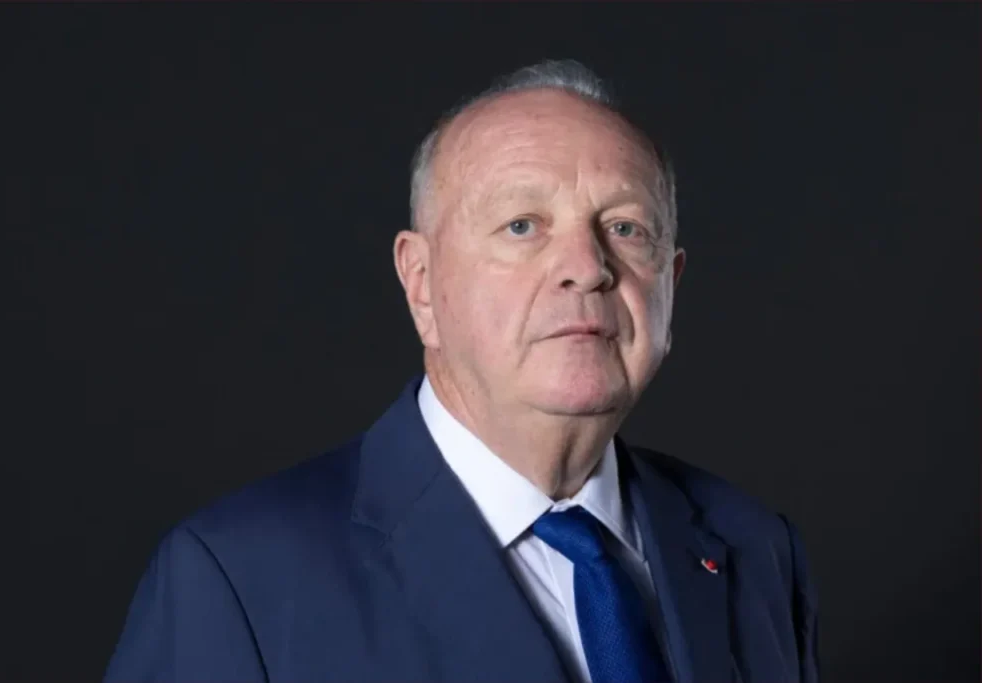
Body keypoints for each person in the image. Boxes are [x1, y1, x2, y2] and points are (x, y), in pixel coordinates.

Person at [105, 59, 819, 683]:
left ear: (671, 283)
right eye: (522, 225)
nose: (587, 268)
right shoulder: (238, 579)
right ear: (421, 283)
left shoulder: (755, 548)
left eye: (625, 228)